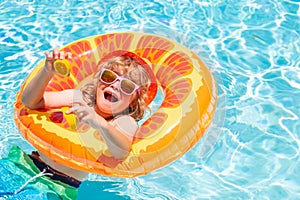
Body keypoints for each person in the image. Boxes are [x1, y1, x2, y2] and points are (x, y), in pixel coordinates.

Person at [21, 48, 151, 186]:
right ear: (98, 81)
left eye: (127, 85)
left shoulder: (124, 121)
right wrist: (47, 71)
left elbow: (122, 153)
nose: (115, 85)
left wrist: (100, 122)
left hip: (62, 184)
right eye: (109, 77)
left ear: (135, 100)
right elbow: (30, 102)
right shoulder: (78, 98)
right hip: (29, 162)